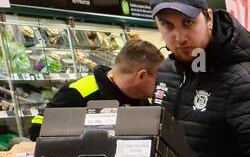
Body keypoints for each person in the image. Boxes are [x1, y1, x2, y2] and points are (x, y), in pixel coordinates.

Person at [149, 0, 250, 157]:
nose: (179, 37)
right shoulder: (167, 73)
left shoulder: (249, 83)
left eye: (188, 22)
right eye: (167, 25)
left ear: (209, 18)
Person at [28, 39, 162, 140]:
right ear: (142, 75)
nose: (161, 83)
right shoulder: (81, 92)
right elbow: (38, 129)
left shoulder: (144, 102)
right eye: (159, 77)